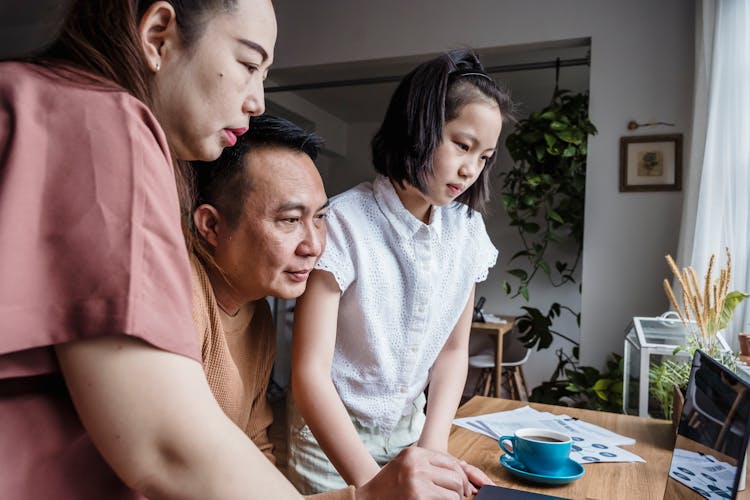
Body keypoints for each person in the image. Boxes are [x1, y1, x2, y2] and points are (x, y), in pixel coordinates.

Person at [0, 1, 481, 499]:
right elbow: (168, 447)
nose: (257, 102)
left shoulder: (39, 101)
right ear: (158, 34)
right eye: (249, 65)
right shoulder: (102, 118)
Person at [289, 49, 513, 494]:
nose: (471, 169)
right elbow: (309, 374)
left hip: (413, 432)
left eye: (485, 157)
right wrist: (373, 486)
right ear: (420, 127)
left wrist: (431, 451)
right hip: (330, 441)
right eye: (462, 145)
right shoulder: (345, 221)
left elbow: (452, 352)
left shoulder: (467, 232)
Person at [188, 114, 327, 465]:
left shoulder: (258, 313)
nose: (313, 245)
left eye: (320, 217)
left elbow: (255, 443)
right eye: (291, 220)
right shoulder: (181, 296)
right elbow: (180, 466)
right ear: (212, 225)